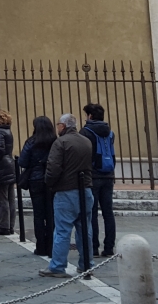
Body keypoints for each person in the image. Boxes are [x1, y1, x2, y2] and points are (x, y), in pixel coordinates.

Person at [39, 114, 94, 278]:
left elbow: (53, 167)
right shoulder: (86, 141)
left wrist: (49, 183)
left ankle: (57, 266)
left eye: (58, 125)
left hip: (66, 190)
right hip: (86, 190)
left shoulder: (60, 142)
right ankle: (86, 264)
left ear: (62, 126)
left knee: (62, 231)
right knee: (85, 230)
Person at [18, 116, 56, 256]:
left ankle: (41, 246)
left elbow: (22, 162)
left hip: (35, 179)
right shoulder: (55, 141)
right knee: (51, 213)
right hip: (51, 180)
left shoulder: (31, 141)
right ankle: (52, 246)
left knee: (39, 215)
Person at [81, 103, 116, 257]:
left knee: (92, 212)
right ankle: (109, 248)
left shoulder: (85, 132)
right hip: (108, 175)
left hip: (92, 175)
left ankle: (94, 247)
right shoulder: (110, 132)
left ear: (90, 116)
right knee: (108, 212)